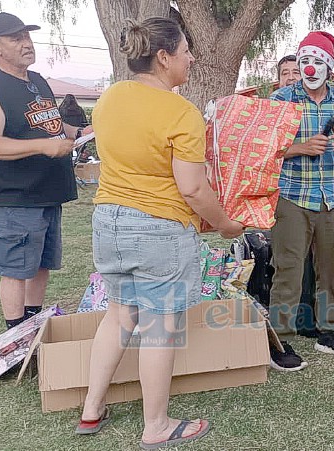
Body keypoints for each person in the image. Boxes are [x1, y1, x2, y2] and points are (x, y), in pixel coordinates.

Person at [76, 17, 243, 447]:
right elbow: (192, 187)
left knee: (118, 315)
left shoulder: (109, 99)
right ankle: (156, 426)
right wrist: (225, 224)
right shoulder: (180, 112)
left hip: (108, 220)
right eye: (186, 51)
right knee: (159, 327)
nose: (191, 58)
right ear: (164, 57)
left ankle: (91, 409)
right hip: (158, 230)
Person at [0, 12, 89, 330]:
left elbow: (51, 124)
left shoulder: (37, 81)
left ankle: (34, 325)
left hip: (48, 192)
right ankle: (15, 340)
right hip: (16, 198)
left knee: (41, 265)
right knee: (15, 269)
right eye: (16, 38)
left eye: (27, 36)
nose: (26, 43)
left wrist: (82, 132)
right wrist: (43, 147)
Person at [267, 30, 334, 371]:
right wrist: (300, 148)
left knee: (331, 268)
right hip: (292, 197)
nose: (309, 69)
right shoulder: (281, 100)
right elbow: (265, 150)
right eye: (304, 61)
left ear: (329, 67)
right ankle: (279, 342)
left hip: (328, 198)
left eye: (317, 62)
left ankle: (329, 331)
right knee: (288, 270)